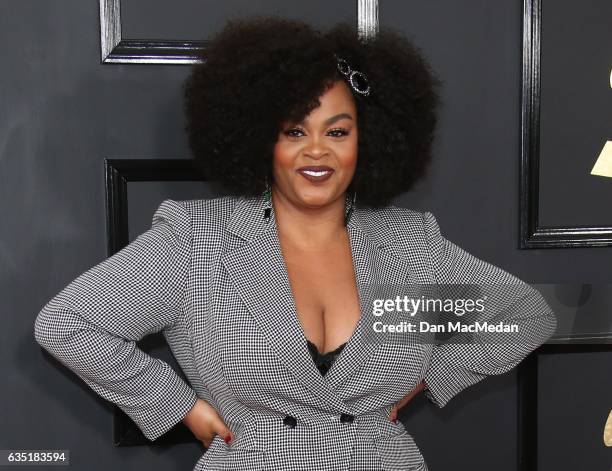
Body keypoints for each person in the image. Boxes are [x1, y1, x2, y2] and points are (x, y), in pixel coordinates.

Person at [33, 16, 557, 471]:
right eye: (293, 131)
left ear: (367, 140)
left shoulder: (406, 246)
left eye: (337, 131)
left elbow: (526, 314)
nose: (316, 152)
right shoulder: (200, 243)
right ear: (262, 138)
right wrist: (177, 407)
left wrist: (433, 377)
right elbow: (69, 325)